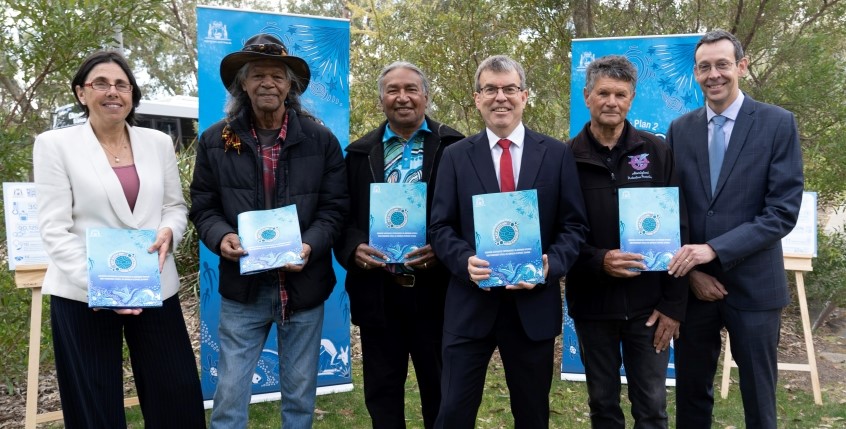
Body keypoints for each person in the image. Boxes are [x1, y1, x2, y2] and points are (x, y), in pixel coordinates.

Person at [33, 50, 205, 428]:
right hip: (83, 294)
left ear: (131, 94)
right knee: (94, 400)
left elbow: (174, 206)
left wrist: (169, 231)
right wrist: (102, 286)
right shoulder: (54, 145)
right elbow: (54, 228)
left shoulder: (157, 142)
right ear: (81, 92)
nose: (113, 92)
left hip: (154, 284)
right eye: (101, 83)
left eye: (121, 85)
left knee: (175, 391)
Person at [189, 33, 348, 428]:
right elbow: (203, 207)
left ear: (290, 85)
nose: (268, 84)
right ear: (242, 83)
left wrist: (309, 246)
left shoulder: (321, 140)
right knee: (229, 396)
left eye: (277, 76)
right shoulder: (214, 141)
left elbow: (334, 209)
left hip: (303, 288)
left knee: (299, 399)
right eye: (257, 75)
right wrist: (221, 236)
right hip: (244, 292)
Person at [429, 55, 588, 428]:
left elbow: (574, 226)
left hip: (531, 308)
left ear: (524, 95)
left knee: (532, 415)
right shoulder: (454, 157)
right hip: (470, 307)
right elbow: (440, 227)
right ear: (477, 97)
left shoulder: (556, 154)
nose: (501, 97)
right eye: (490, 89)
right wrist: (464, 260)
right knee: (452, 413)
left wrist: (552, 264)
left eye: (510, 89)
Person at [665, 30, 804, 429]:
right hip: (694, 288)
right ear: (695, 73)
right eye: (705, 66)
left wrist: (712, 250)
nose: (714, 74)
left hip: (755, 287)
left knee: (760, 399)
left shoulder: (778, 124)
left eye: (723, 64)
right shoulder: (680, 130)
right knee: (692, 395)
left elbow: (781, 212)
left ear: (741, 66)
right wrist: (692, 271)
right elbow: (673, 209)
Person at [334, 61, 464, 429]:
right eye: (393, 90)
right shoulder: (359, 154)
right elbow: (340, 217)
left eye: (411, 89)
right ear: (381, 99)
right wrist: (353, 247)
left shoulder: (455, 146)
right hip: (379, 294)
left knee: (441, 392)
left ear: (425, 96)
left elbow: (469, 216)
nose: (402, 97)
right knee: (382, 393)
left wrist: (444, 249)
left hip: (437, 295)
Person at [566, 55, 688, 429]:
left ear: (631, 98)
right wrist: (598, 260)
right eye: (603, 93)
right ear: (587, 96)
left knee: (652, 408)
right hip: (592, 305)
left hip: (649, 309)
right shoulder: (564, 157)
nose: (611, 102)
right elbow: (559, 233)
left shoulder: (657, 151)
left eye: (620, 94)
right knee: (602, 406)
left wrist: (673, 305)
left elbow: (681, 228)